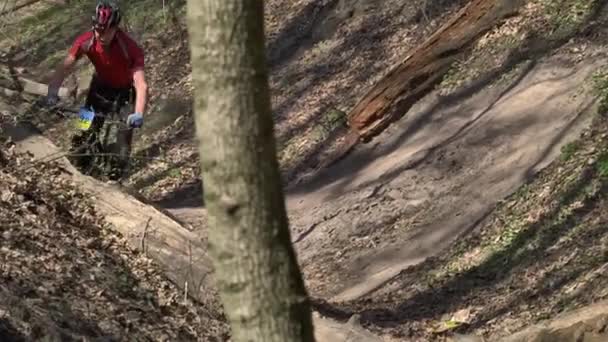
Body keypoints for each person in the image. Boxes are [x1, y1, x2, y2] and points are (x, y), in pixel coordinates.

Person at [46, 0, 148, 181]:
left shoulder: (130, 49)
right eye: (98, 28)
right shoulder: (86, 41)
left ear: (116, 28)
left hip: (125, 95)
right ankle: (81, 171)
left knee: (123, 143)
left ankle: (114, 180)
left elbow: (141, 84)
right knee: (83, 132)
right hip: (98, 91)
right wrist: (52, 93)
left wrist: (138, 113)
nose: (100, 34)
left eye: (106, 30)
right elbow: (64, 67)